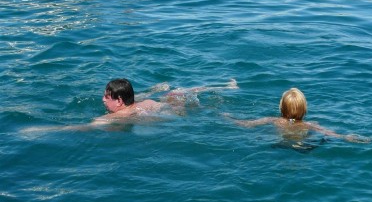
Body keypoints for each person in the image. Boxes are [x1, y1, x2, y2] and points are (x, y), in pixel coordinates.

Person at [24, 78, 238, 132]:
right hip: (168, 108)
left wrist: (43, 129)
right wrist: (155, 91)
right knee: (179, 92)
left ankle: (226, 87)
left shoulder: (119, 117)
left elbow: (82, 127)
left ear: (118, 101)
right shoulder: (139, 102)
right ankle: (227, 87)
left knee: (177, 95)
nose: (102, 100)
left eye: (106, 96)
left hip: (173, 117)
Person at [224, 87, 370, 144]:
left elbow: (246, 124)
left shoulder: (273, 120)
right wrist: (347, 137)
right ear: (304, 110)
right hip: (305, 145)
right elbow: (332, 134)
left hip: (279, 146)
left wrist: (226, 116)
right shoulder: (310, 124)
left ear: (281, 108)